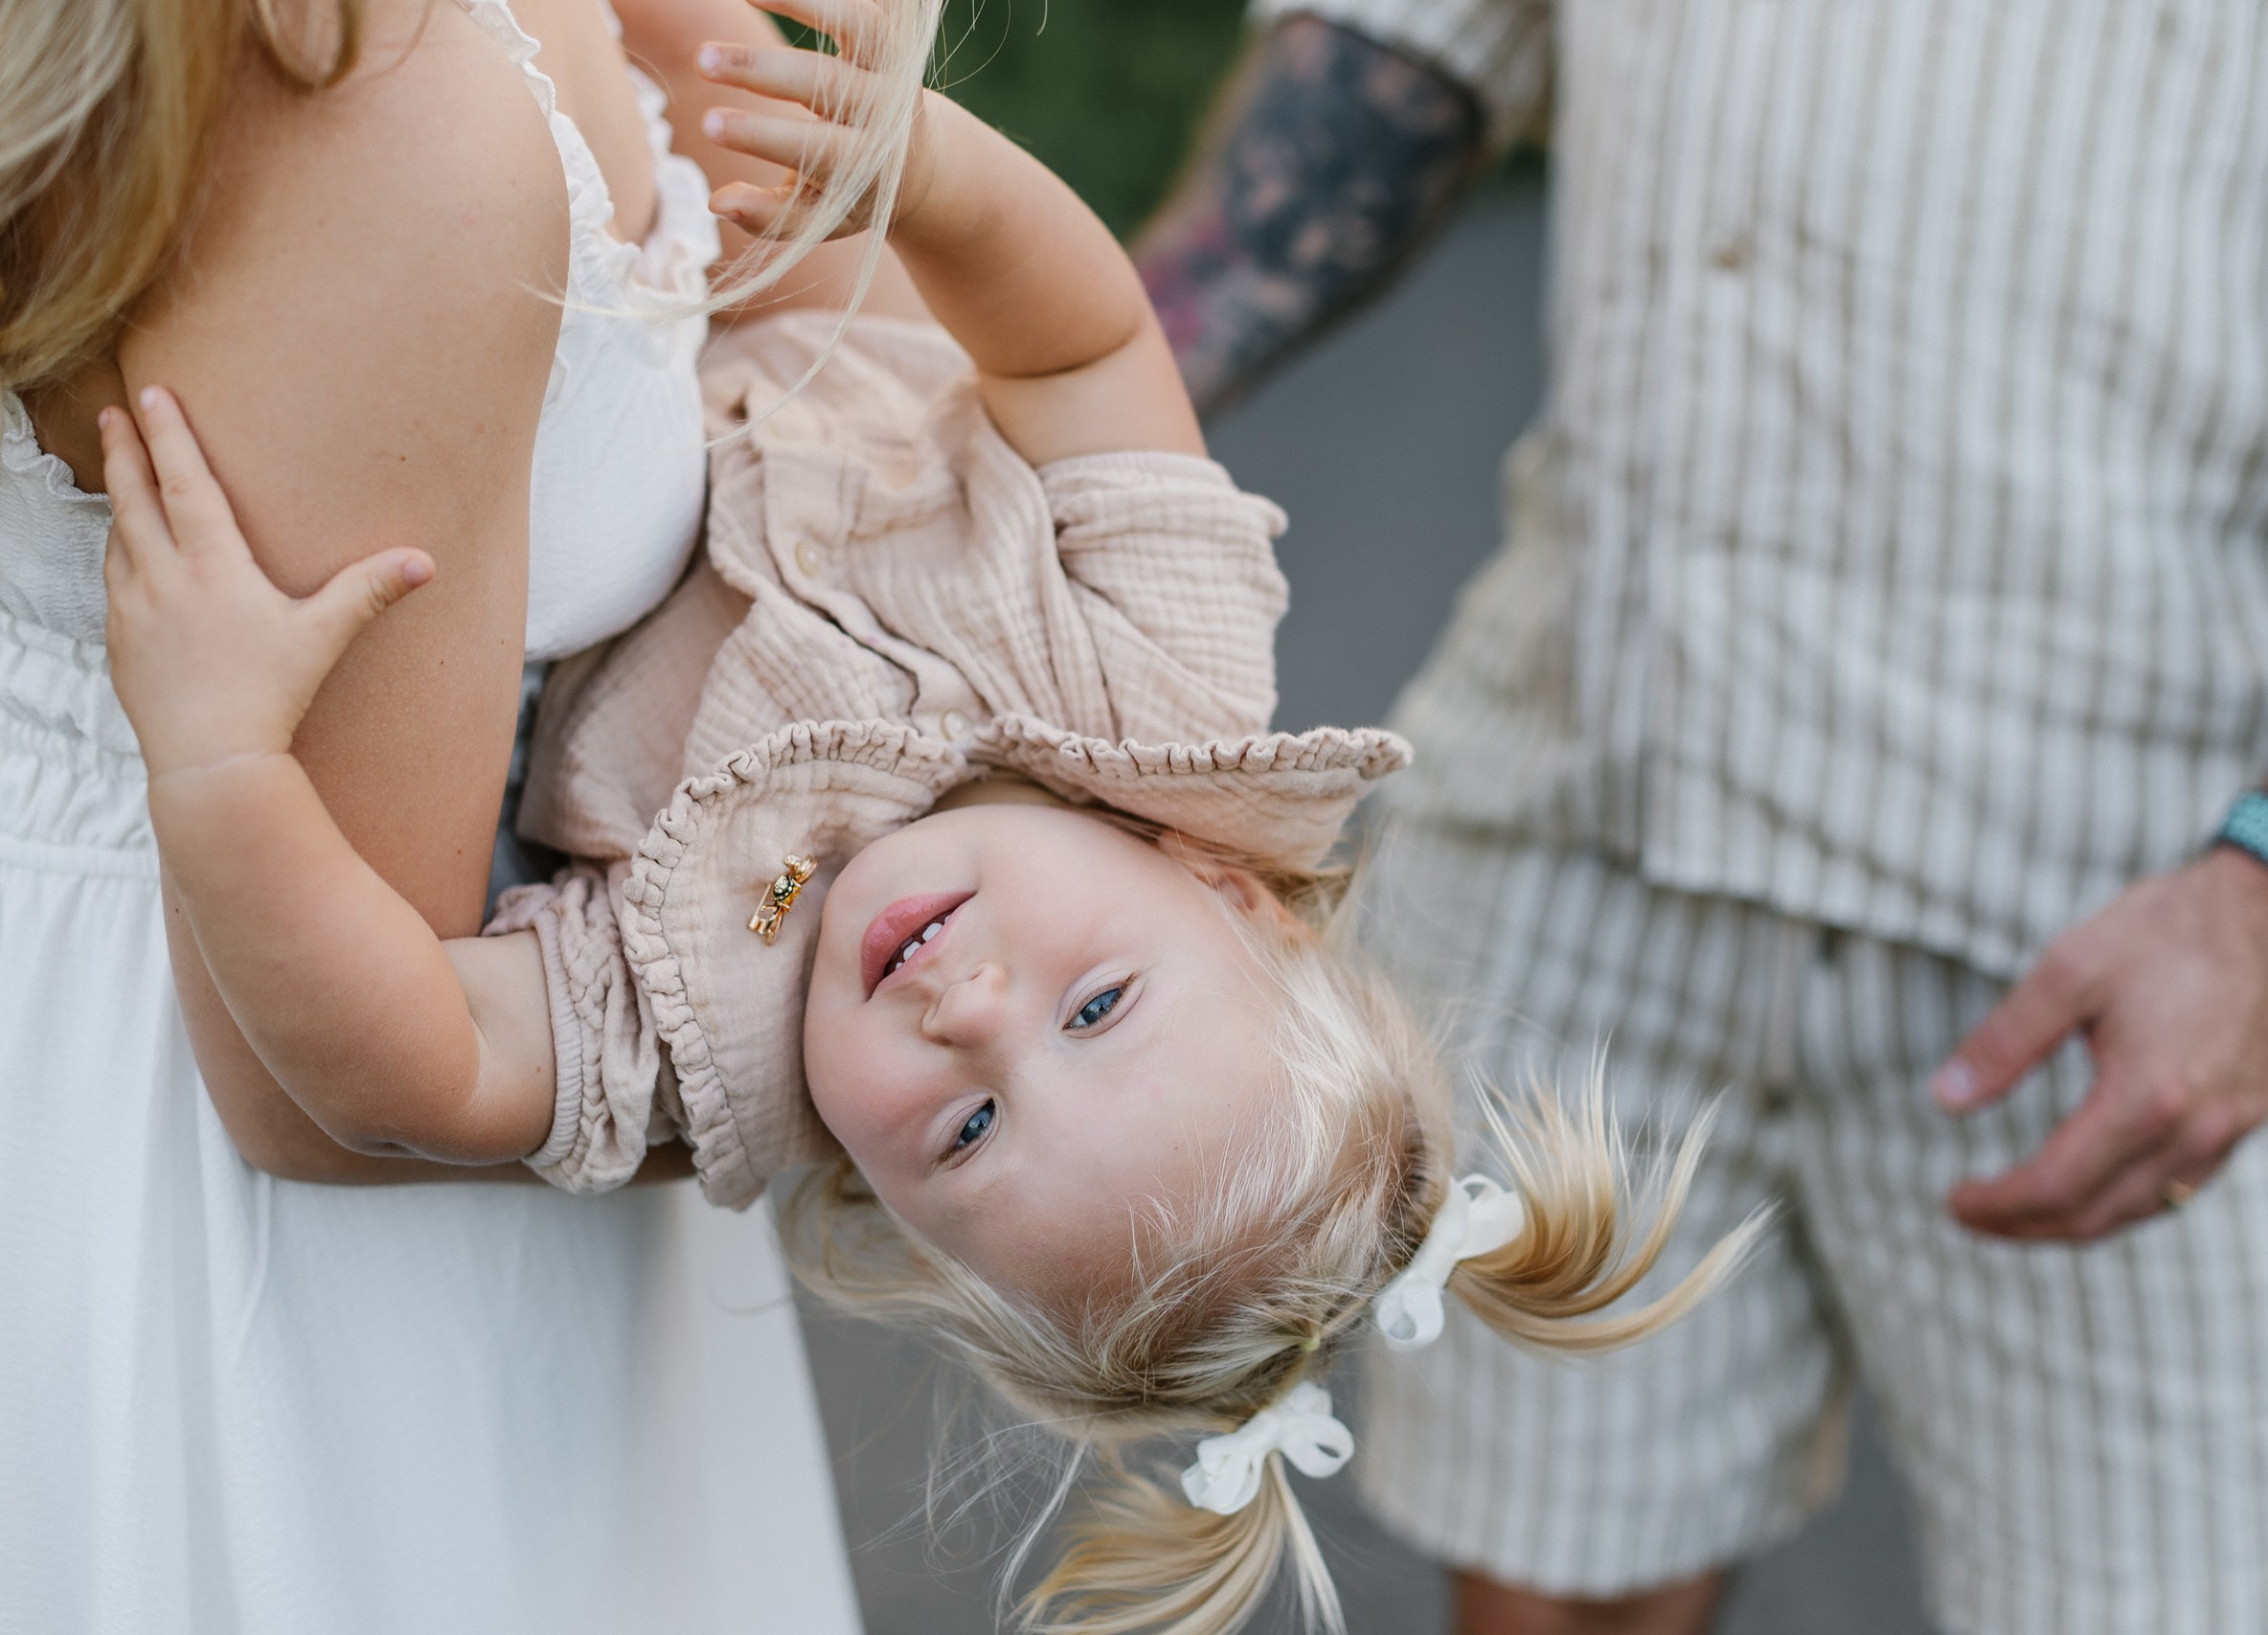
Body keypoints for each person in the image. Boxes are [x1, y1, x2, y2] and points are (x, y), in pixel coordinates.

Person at [89, 20, 1759, 1633]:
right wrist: (921, 172)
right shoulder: (1163, 682)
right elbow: (1087, 349)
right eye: (1096, 1008)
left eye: (964, 1132)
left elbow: (414, 1068)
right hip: (775, 266)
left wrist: (223, 762)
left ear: (894, 1214)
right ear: (1227, 889)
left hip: (572, 357)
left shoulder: (709, 1035)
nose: (968, 1016)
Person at [1136, 4, 2268, 1634]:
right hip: (1589, 809)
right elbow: (1399, 60)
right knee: (1559, 1584)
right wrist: (1022, 416)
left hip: (2151, 883)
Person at [0, 0, 905, 1626]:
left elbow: (862, 336)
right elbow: (337, 1090)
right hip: (258, 1174)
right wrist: (851, 1057)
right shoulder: (378, 116)